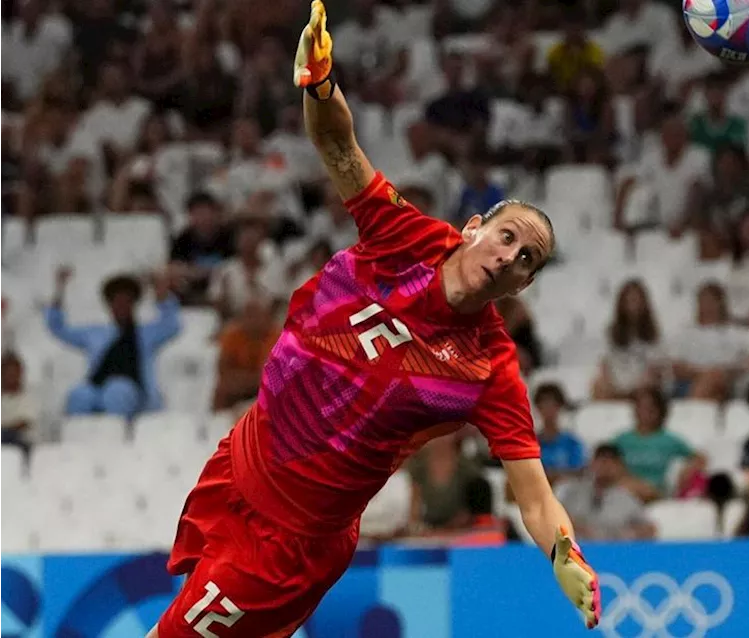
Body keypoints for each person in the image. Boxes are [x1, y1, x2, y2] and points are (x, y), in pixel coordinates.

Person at [148, 5, 600, 636]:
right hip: (237, 462)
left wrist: (564, 553)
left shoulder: (488, 368)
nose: (509, 257)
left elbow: (534, 493)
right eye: (505, 237)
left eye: (527, 260)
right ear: (473, 229)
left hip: (291, 540)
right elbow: (337, 143)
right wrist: (319, 83)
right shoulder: (405, 236)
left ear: (524, 285)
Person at [47, 268, 181, 419]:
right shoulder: (96, 334)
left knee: (117, 390)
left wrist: (160, 289)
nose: (121, 306)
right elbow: (58, 328)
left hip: (133, 395)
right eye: (116, 302)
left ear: (133, 304)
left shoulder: (147, 333)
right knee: (79, 395)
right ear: (109, 306)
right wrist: (60, 288)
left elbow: (172, 325)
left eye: (126, 301)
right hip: (97, 389)